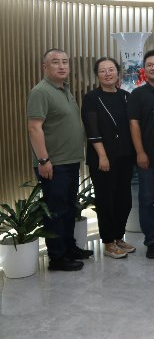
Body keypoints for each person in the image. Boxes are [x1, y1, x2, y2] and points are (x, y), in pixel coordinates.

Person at [27, 49, 92, 271]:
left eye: (65, 62)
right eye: (55, 62)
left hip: (70, 160)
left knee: (68, 208)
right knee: (55, 210)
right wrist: (43, 160)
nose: (62, 66)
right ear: (45, 67)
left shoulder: (64, 90)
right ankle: (57, 257)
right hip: (53, 163)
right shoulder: (41, 91)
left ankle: (69, 247)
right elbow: (34, 128)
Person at [81, 57, 136, 259]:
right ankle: (108, 242)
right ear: (97, 75)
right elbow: (92, 130)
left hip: (125, 156)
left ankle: (119, 237)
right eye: (103, 70)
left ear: (118, 72)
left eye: (111, 69)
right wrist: (102, 156)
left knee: (124, 201)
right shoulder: (91, 97)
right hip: (103, 159)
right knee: (106, 201)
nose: (107, 73)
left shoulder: (125, 96)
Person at [128, 49, 154, 259]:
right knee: (146, 202)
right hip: (147, 159)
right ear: (144, 69)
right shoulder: (137, 94)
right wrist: (140, 152)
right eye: (150, 65)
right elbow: (133, 125)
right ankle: (151, 241)